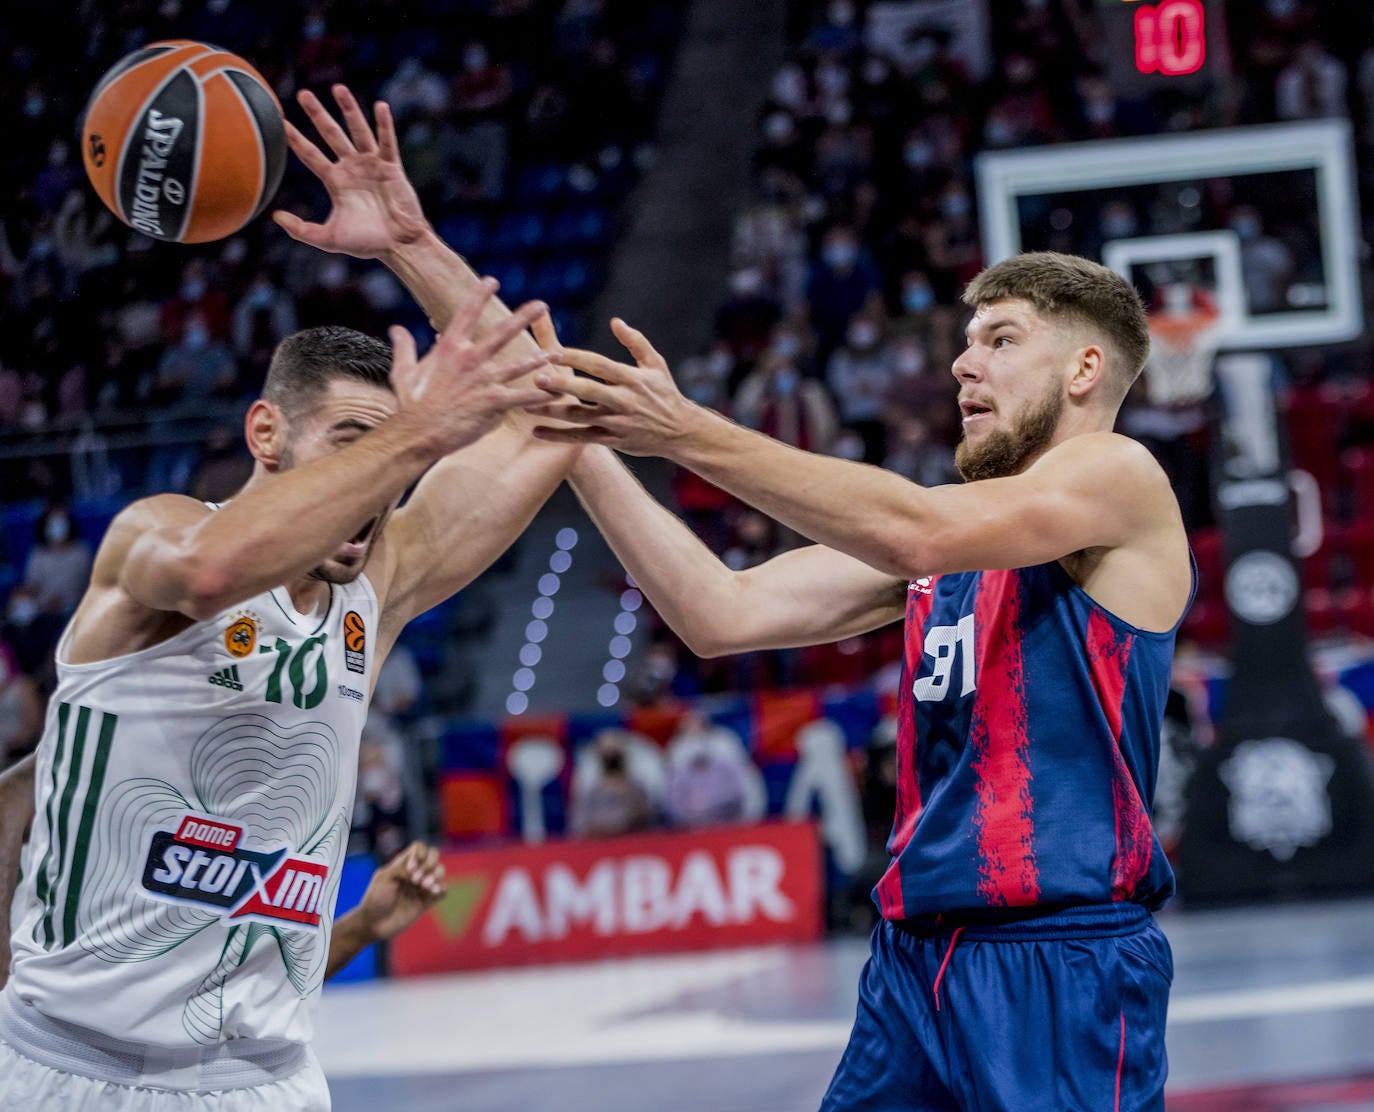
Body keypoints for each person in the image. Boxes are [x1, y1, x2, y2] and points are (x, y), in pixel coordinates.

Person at [0, 85, 576, 1111]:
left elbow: (549, 417)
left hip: (267, 1079)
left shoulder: (382, 576)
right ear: (266, 435)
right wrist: (418, 434)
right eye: (354, 447)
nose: (383, 484)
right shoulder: (154, 536)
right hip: (70, 1070)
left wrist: (410, 246)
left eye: (393, 459)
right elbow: (213, 570)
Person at [528, 251, 1192, 1110]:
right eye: (966, 342)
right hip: (912, 965)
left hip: (1058, 959)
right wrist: (583, 446)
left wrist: (684, 429)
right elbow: (717, 612)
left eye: (1000, 338)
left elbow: (913, 530)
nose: (963, 363)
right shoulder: (949, 548)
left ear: (1084, 369)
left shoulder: (1120, 475)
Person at [0, 754, 446, 993]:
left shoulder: (265, 809)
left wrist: (362, 926)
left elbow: (250, 986)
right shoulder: (123, 733)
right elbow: (14, 792)